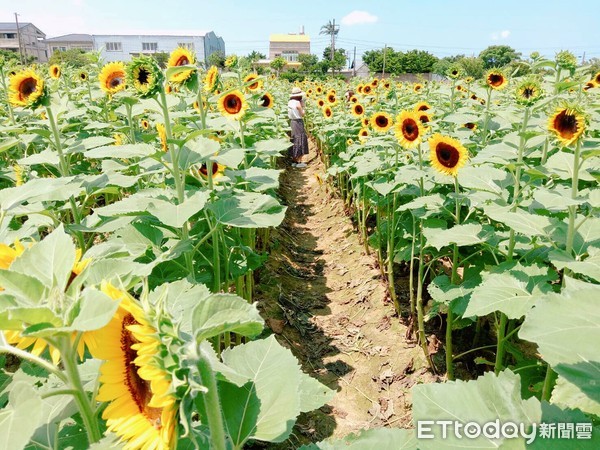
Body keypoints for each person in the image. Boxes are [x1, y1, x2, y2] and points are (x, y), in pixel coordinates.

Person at [288, 87, 309, 168]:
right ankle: (299, 162)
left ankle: (294, 161)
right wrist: (303, 107)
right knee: (300, 140)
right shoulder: (298, 103)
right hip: (298, 122)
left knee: (294, 139)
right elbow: (302, 114)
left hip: (292, 122)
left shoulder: (290, 102)